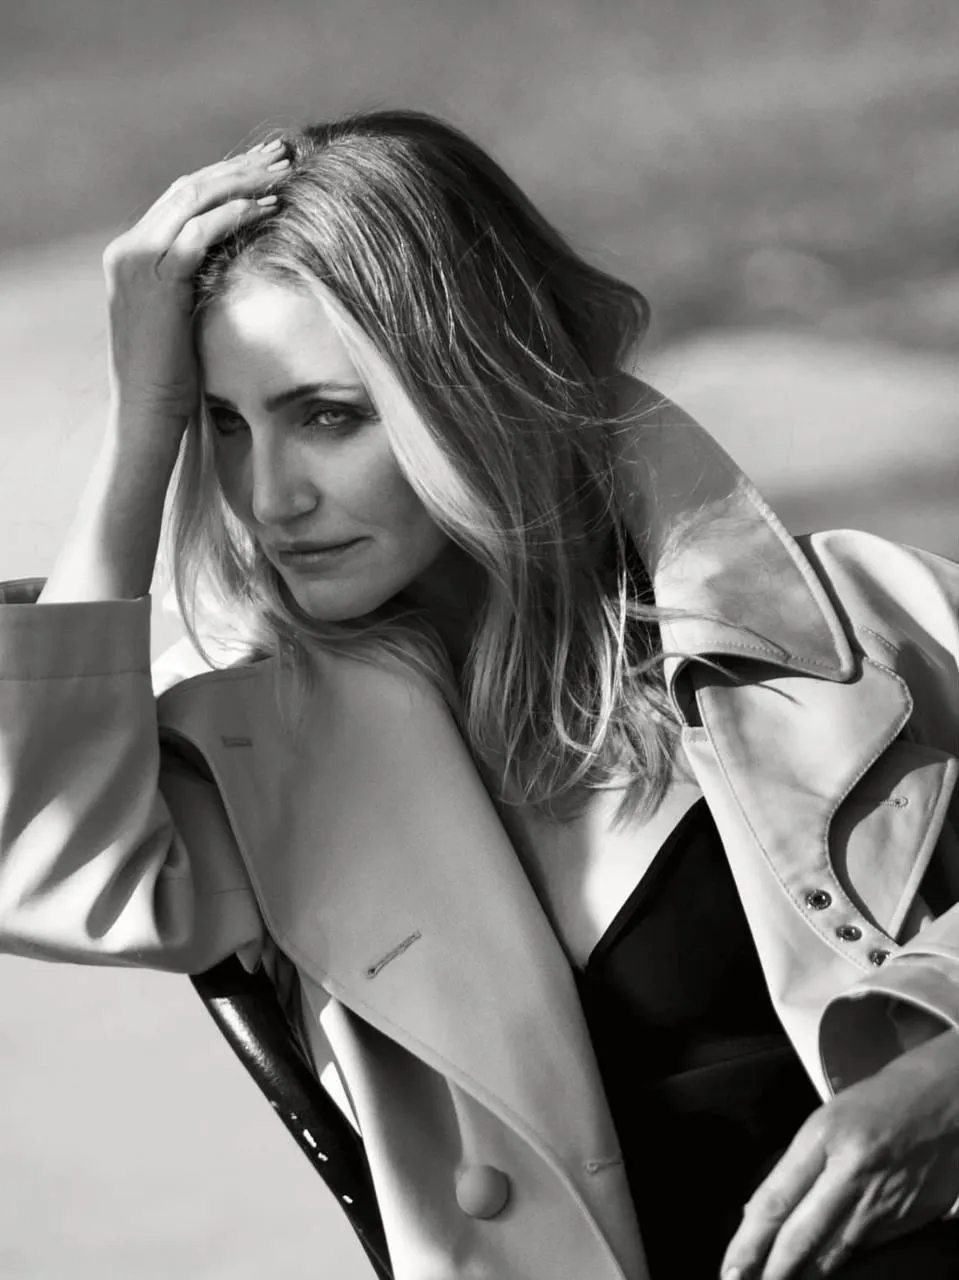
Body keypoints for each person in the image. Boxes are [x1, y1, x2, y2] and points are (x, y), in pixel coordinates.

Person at [1, 109, 958, 1280]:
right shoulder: (262, 755)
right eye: (222, 423)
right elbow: (41, 863)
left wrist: (941, 1071)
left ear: (474, 387)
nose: (269, 494)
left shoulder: (857, 619)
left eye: (327, 415)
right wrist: (140, 427)